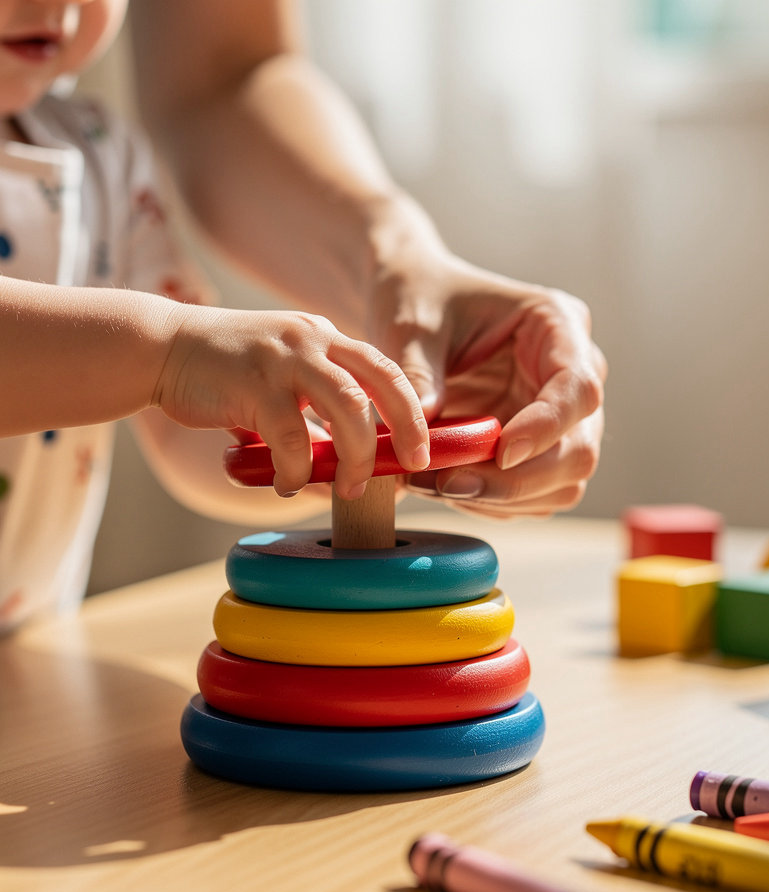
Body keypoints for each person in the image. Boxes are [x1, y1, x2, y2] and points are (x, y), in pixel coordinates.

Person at [0, 0, 606, 630]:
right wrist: (170, 353)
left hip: (33, 646)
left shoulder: (102, 151)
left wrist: (323, 451)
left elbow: (189, 424)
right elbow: (171, 365)